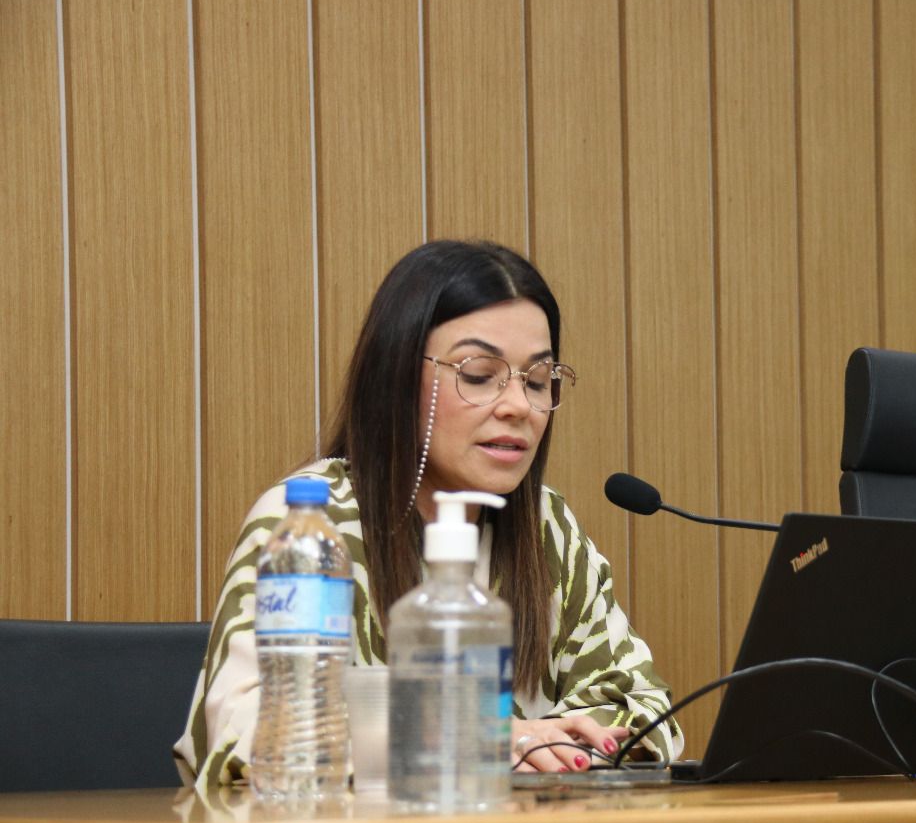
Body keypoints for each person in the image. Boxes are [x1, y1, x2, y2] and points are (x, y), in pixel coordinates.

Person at [177, 240, 681, 787]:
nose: (519, 406)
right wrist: (475, 736)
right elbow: (250, 727)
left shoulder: (545, 527)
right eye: (479, 374)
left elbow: (641, 703)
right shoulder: (310, 524)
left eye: (538, 380)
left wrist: (562, 744)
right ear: (396, 377)